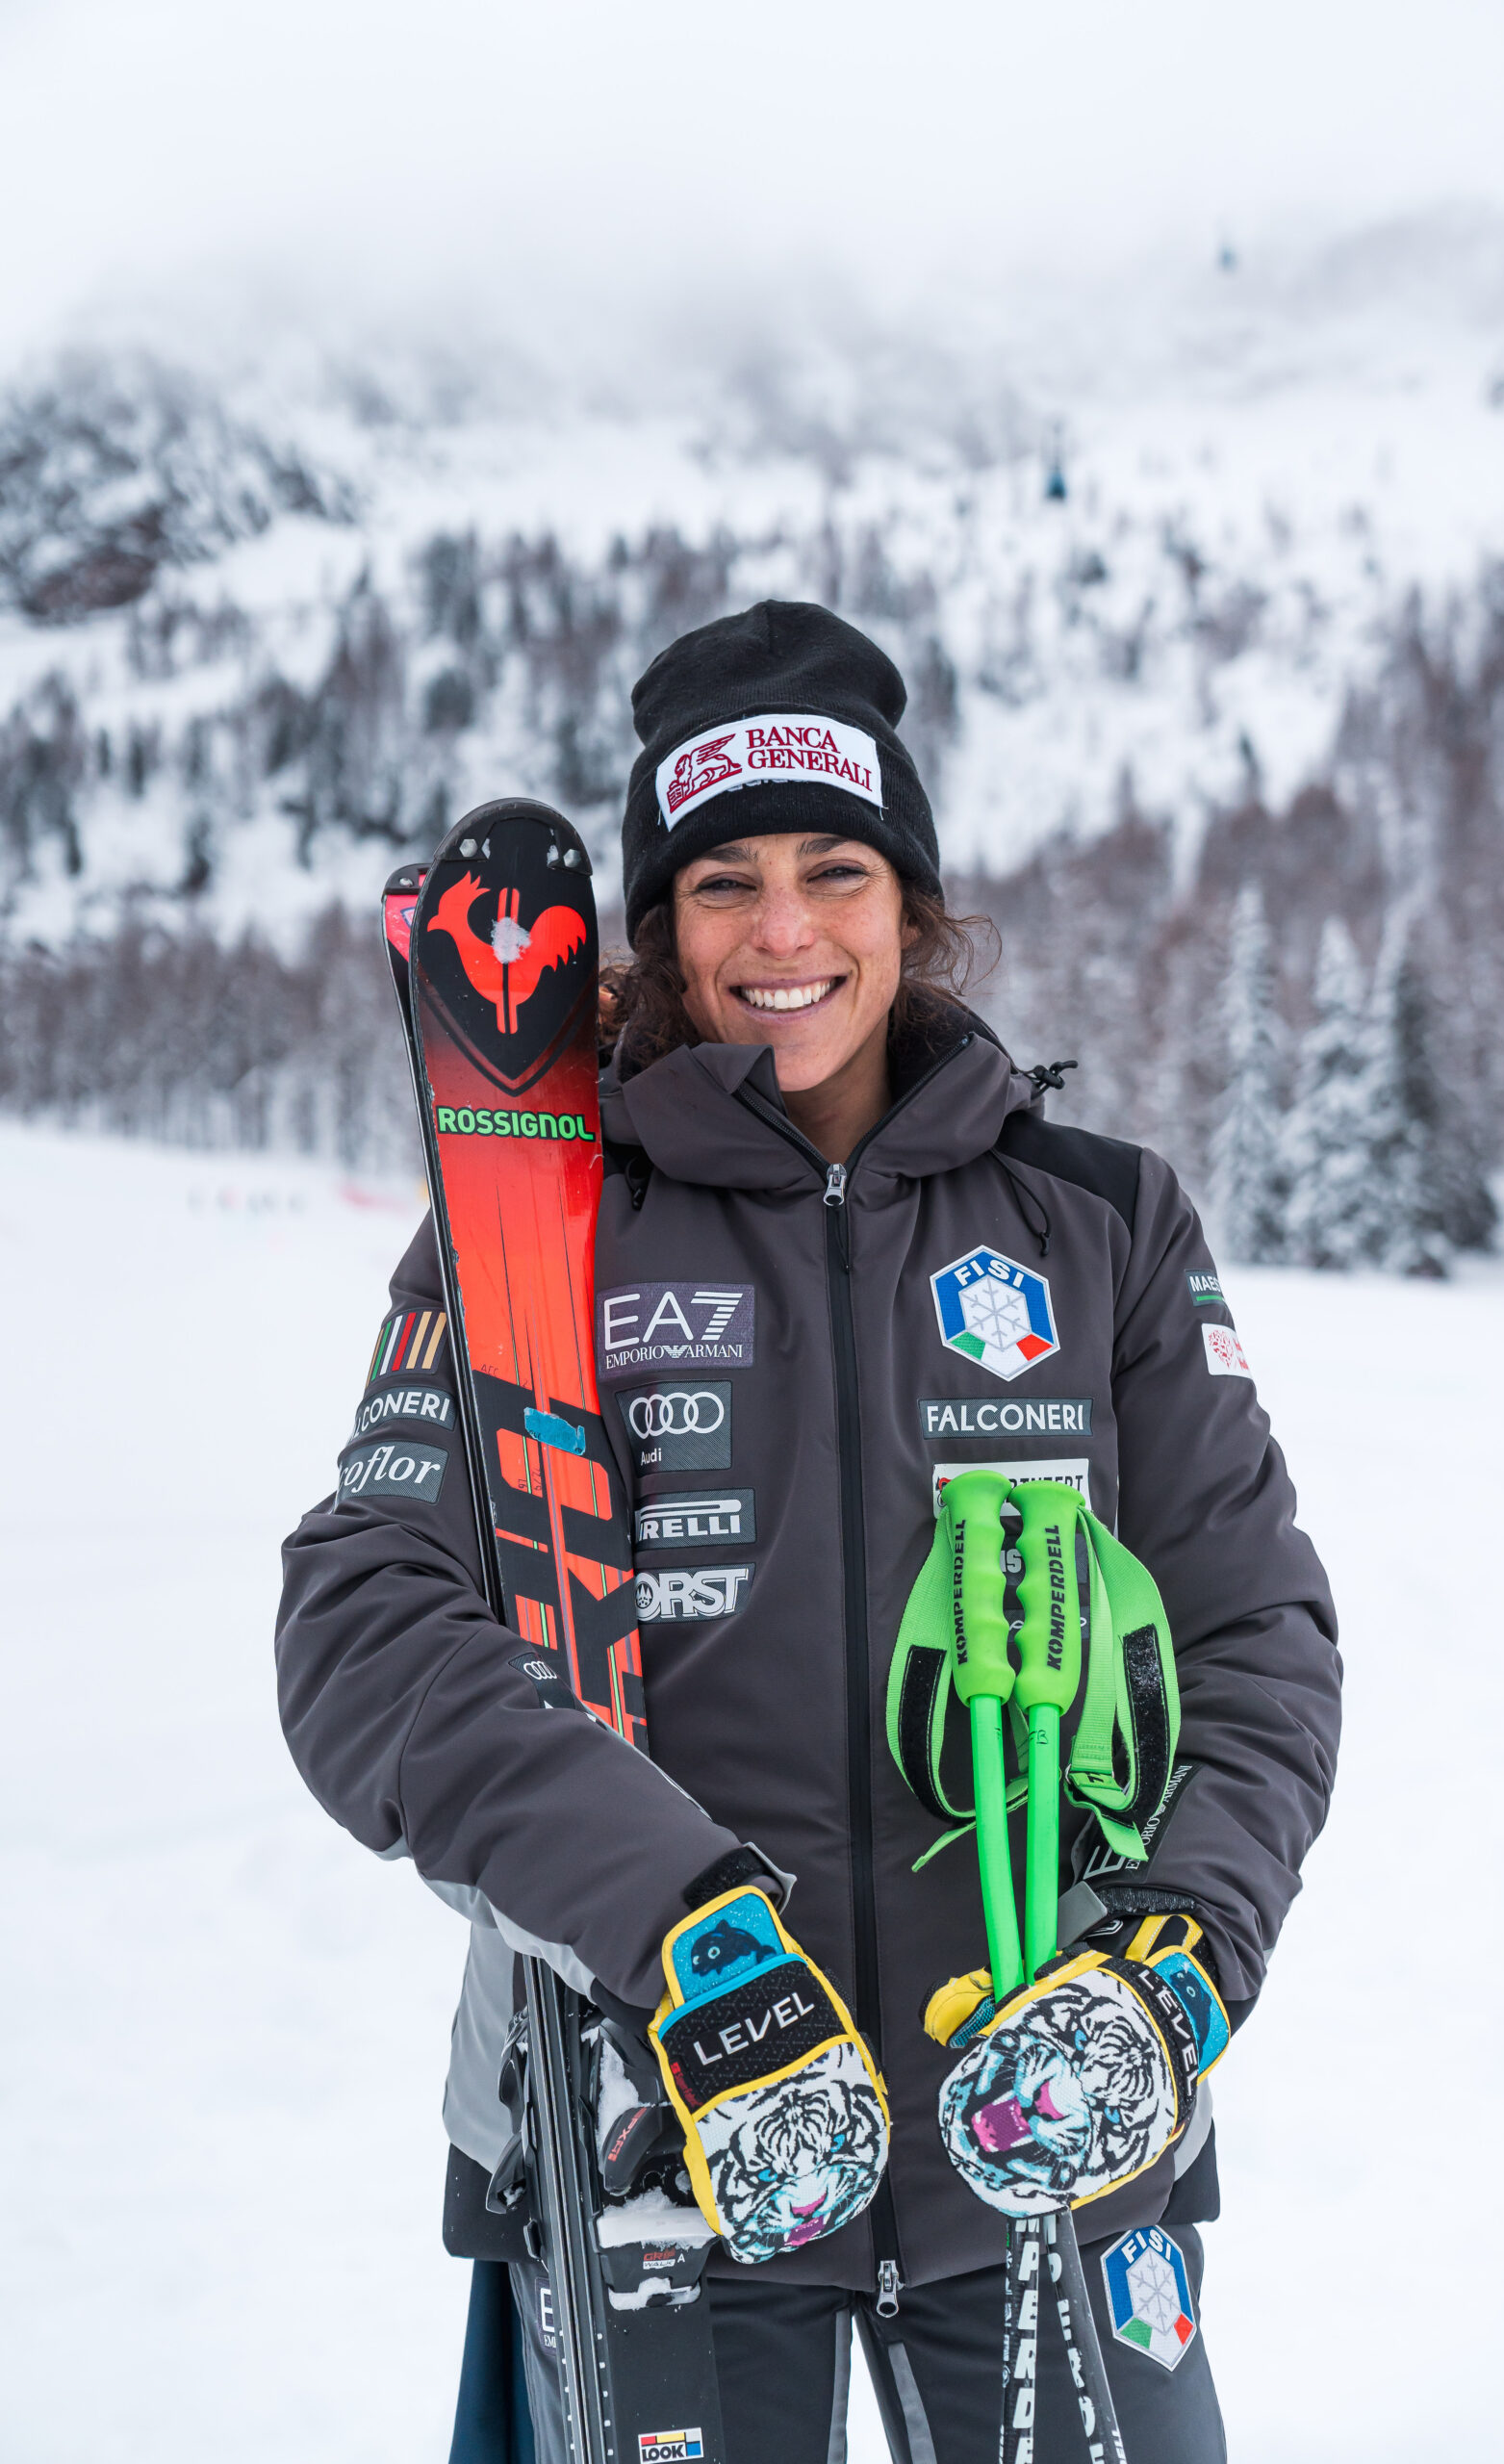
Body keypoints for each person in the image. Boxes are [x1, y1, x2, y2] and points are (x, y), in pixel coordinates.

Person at [276, 601, 1340, 2464]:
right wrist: (684, 1925)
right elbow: (362, 1624)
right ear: (660, 931)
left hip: (1044, 2114)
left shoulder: (1097, 1228)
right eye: (722, 883)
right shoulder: (535, 1234)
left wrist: (1179, 1952)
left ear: (907, 901)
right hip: (654, 2125)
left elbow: (1260, 1637)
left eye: (832, 869)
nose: (783, 932)